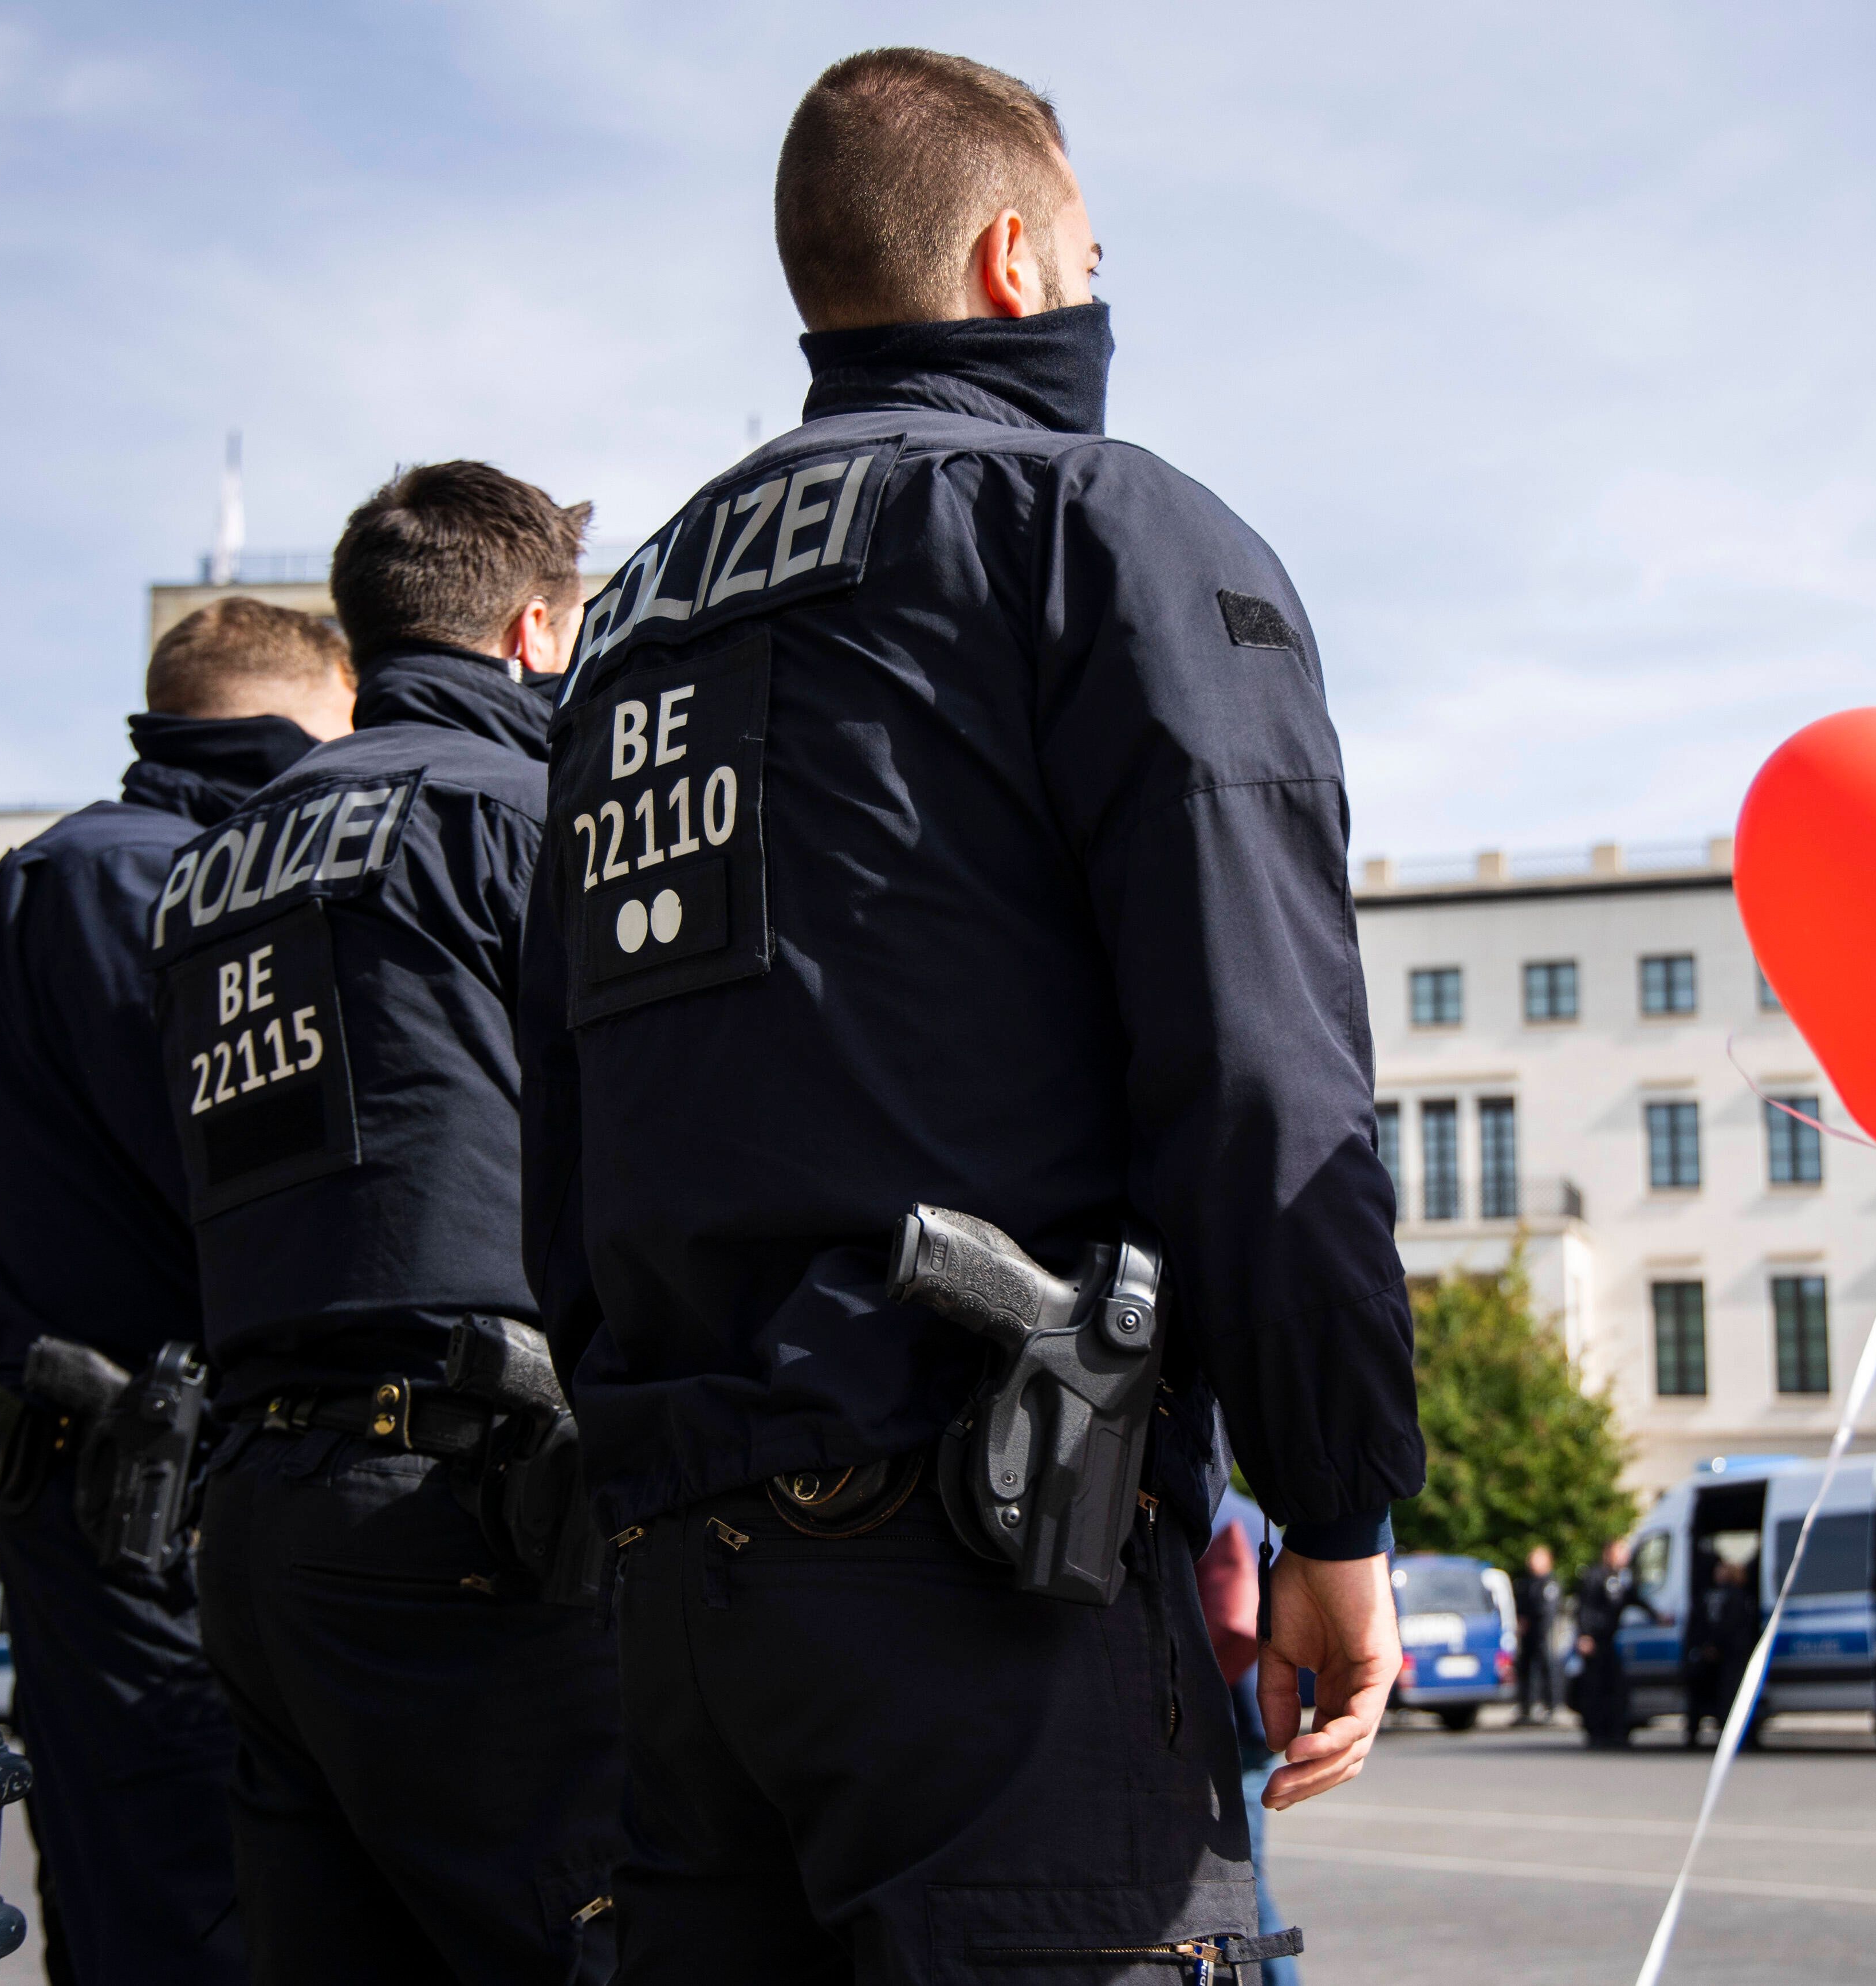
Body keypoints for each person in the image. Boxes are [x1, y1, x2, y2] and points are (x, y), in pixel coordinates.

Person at [519, 48, 1418, 1979]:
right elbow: (1261, 1067)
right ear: (1017, 259)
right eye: (1099, 249)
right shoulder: (1097, 525)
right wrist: (1337, 1500)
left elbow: (561, 1101)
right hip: (985, 1566)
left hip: (684, 1586)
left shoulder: (632, 625)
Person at [159, 464, 627, 1983]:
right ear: (538, 629)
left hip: (261, 1505)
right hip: (467, 1504)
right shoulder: (515, 810)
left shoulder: (213, 868)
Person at [0, 598, 355, 1983]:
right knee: (185, 1896)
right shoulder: (141, 876)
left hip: (129, 1481)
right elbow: (223, 1157)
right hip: (143, 1490)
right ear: (308, 713)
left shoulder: (90, 864)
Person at [1200, 1489, 1302, 1986]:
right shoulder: (1262, 1519)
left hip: (1223, 1723)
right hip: (1262, 1719)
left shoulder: (1200, 1509)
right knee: (1242, 1874)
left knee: (1240, 1884)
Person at [1574, 1538, 1653, 1748]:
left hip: (1611, 1641)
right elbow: (1584, 1608)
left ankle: (1617, 1732)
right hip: (1595, 1641)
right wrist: (1584, 1636)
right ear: (1608, 1553)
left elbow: (1634, 1600)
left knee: (1616, 1687)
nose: (1625, 1556)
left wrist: (1658, 1616)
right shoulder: (1595, 1576)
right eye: (1620, 1552)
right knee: (1595, 1688)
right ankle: (1596, 1734)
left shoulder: (1622, 1579)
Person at [1684, 1547, 1761, 1749]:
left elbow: (1720, 1625)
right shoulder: (1742, 1596)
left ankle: (1730, 1735)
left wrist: (1712, 1646)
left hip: (1729, 1653)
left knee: (1727, 1694)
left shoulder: (1724, 1596)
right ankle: (1742, 1736)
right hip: (1737, 1652)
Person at [1513, 1544, 1564, 1725]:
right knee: (1526, 1668)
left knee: (1547, 1667)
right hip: (1529, 1634)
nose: (1532, 1563)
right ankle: (1526, 1708)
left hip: (1544, 1634)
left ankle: (1551, 1707)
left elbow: (1548, 1611)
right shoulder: (1527, 1583)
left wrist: (1541, 1631)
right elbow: (1522, 1608)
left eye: (1537, 1559)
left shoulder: (1549, 1583)